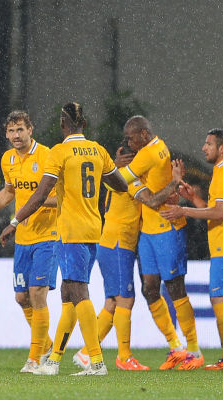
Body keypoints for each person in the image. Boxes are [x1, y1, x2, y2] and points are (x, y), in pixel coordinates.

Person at [0, 102, 128, 376]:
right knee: (69, 293)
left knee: (78, 292)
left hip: (70, 231)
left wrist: (14, 221)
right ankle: (54, 360)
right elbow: (121, 185)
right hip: (94, 228)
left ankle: (96, 362)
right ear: (84, 124)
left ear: (62, 124)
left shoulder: (59, 152)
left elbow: (39, 194)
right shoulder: (98, 150)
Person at [0, 110, 57, 373]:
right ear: (6, 134)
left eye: (20, 129)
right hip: (23, 237)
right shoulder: (7, 159)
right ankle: (46, 344)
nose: (16, 135)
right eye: (11, 131)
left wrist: (34, 205)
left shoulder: (47, 156)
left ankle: (34, 358)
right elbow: (8, 193)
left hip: (48, 236)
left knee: (37, 293)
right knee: (21, 297)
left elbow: (62, 197)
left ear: (31, 130)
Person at [117, 116, 203, 370]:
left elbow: (118, 179)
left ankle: (194, 350)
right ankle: (176, 347)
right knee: (150, 289)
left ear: (144, 134)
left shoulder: (148, 154)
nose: (128, 143)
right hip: (149, 231)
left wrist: (115, 167)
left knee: (175, 288)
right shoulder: (158, 145)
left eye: (131, 138)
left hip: (167, 227)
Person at [160, 129, 223, 370]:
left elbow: (219, 213)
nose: (203, 148)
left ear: (222, 148)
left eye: (208, 144)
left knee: (218, 297)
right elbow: (219, 210)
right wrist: (194, 199)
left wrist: (183, 210)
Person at [72, 140, 148, 371]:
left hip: (113, 243)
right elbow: (151, 200)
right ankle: (124, 357)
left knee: (112, 303)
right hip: (117, 244)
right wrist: (172, 183)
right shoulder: (129, 180)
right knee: (125, 299)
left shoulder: (118, 178)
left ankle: (87, 352)